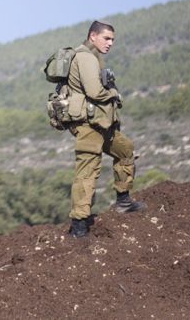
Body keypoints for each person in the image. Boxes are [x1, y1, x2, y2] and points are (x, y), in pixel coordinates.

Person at [65, 21, 145, 238]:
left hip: (102, 125)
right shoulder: (85, 57)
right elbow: (94, 90)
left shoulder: (93, 57)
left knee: (125, 149)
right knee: (87, 172)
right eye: (106, 38)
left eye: (112, 39)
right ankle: (79, 225)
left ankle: (123, 201)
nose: (110, 43)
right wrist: (113, 94)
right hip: (88, 126)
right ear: (93, 36)